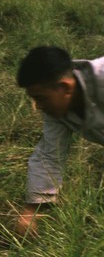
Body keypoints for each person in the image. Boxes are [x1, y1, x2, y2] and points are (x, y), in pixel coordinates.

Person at [14, 46, 104, 236]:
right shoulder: (57, 110)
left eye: (40, 98)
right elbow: (50, 155)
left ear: (65, 87)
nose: (37, 106)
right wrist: (31, 213)